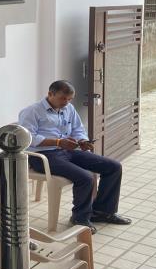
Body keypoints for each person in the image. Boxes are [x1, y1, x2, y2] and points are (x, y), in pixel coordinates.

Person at [18, 80, 131, 234]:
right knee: (85, 177)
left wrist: (82, 141)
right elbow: (28, 138)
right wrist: (58, 142)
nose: (66, 102)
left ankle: (102, 212)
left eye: (70, 99)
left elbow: (78, 129)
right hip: (42, 155)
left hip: (67, 151)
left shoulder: (68, 108)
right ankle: (80, 218)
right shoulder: (32, 111)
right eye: (63, 98)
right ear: (50, 94)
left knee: (113, 167)